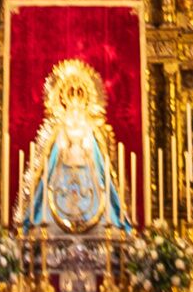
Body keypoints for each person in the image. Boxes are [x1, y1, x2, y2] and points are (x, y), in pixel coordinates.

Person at [14, 58, 133, 231]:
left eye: (79, 93)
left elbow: (97, 157)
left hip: (87, 174)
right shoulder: (59, 127)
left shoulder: (91, 127)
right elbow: (53, 154)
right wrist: (65, 144)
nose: (75, 99)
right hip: (63, 172)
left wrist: (85, 146)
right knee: (53, 206)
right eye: (71, 93)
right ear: (63, 97)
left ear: (86, 98)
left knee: (97, 204)